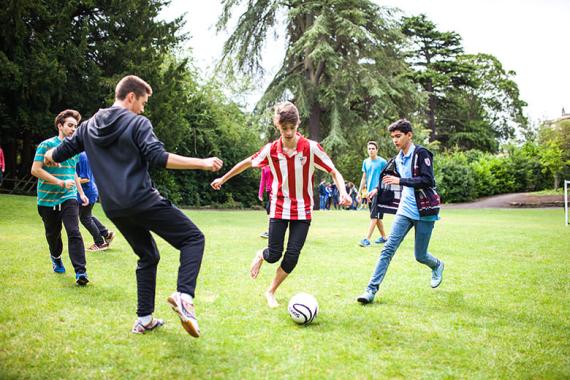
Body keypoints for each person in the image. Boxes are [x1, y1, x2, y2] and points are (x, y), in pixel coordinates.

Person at [44, 75, 223, 337]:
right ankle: (184, 296)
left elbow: (57, 153)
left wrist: (49, 155)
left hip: (114, 207)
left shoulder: (88, 126)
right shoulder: (137, 122)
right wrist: (202, 162)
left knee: (148, 255)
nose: (143, 108)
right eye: (143, 102)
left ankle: (144, 319)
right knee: (193, 238)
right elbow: (157, 157)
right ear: (131, 97)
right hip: (141, 198)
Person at [211, 101, 351, 308]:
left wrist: (344, 192)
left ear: (298, 125)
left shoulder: (311, 148)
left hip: (303, 210)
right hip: (278, 207)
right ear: (277, 125)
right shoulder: (271, 150)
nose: (288, 132)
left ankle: (271, 290)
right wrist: (223, 179)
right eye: (284, 128)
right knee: (274, 254)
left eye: (291, 128)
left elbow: (333, 171)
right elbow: (247, 163)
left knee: (292, 256)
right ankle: (261, 254)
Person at [356, 119, 444, 304]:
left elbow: (428, 180)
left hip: (425, 210)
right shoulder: (397, 159)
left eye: (398, 136)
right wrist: (377, 190)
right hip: (404, 211)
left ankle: (437, 265)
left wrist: (400, 182)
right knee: (387, 249)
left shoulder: (421, 154)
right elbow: (392, 178)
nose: (395, 140)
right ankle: (370, 290)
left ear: (409, 135)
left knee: (420, 256)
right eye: (393, 137)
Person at [30, 109, 90, 286]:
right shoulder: (46, 145)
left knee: (74, 231)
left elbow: (73, 173)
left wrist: (81, 193)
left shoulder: (75, 149)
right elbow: (35, 169)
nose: (73, 129)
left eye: (75, 126)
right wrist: (59, 182)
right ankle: (55, 257)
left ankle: (81, 272)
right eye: (70, 125)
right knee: (53, 235)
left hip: (68, 196)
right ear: (60, 126)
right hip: (47, 199)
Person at [76, 151, 116, 251]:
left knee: (85, 218)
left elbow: (85, 178)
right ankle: (106, 234)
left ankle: (100, 243)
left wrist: (69, 180)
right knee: (87, 216)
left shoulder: (82, 156)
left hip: (87, 192)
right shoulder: (85, 154)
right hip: (89, 191)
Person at [357, 141, 388, 247]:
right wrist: (359, 192)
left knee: (374, 216)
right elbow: (364, 177)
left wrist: (378, 189)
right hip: (369, 193)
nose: (371, 150)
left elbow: (386, 178)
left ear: (377, 150)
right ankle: (384, 238)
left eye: (373, 148)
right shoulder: (365, 162)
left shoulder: (383, 162)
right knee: (377, 217)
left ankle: (367, 239)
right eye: (369, 148)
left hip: (379, 192)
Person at [258, 165, 273, 238]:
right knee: (269, 209)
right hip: (269, 191)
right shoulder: (264, 167)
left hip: (277, 190)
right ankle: (270, 231)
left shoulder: (277, 163)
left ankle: (271, 231)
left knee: (271, 209)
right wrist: (260, 193)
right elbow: (263, 180)